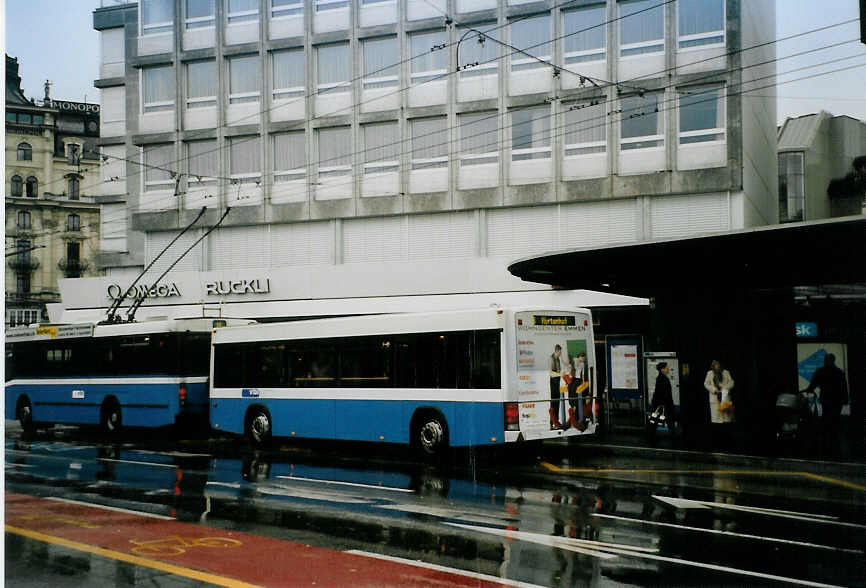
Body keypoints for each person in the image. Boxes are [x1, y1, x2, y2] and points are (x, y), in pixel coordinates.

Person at [805, 353, 848, 455]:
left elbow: (813, 383)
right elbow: (844, 387)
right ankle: (834, 443)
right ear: (834, 360)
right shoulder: (839, 372)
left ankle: (826, 444)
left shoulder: (821, 371)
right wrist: (845, 399)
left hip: (826, 399)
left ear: (825, 360)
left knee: (826, 418)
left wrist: (809, 389)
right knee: (835, 419)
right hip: (837, 400)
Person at [649, 362, 675, 441]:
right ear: (662, 369)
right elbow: (662, 393)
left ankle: (651, 435)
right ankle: (651, 435)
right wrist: (665, 403)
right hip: (663, 404)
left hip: (661, 403)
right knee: (665, 419)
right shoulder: (662, 378)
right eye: (666, 368)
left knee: (656, 420)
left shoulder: (661, 378)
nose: (668, 369)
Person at [704, 360, 735, 425]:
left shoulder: (726, 372)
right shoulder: (710, 373)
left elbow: (732, 382)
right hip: (715, 398)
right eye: (715, 364)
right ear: (713, 366)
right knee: (716, 420)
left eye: (718, 364)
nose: (717, 366)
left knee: (727, 419)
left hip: (725, 397)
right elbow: (706, 384)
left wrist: (725, 388)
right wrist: (713, 389)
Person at [549, 345, 563, 429]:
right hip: (553, 382)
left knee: (557, 402)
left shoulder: (557, 358)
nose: (561, 353)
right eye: (560, 352)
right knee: (554, 403)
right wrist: (560, 374)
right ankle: (552, 422)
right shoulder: (552, 358)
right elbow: (551, 373)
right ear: (557, 351)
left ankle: (556, 421)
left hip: (557, 381)